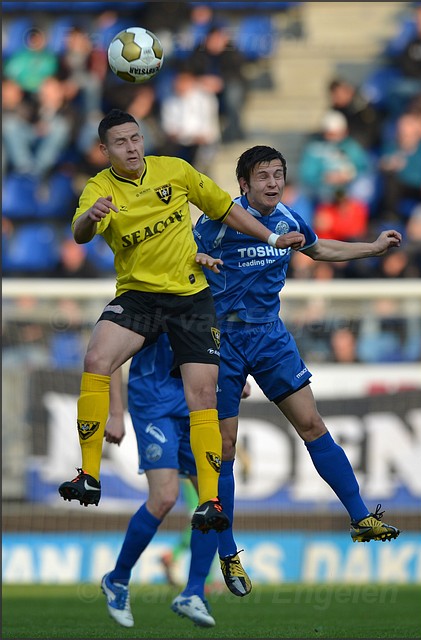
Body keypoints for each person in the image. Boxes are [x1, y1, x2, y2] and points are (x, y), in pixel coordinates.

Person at [57, 110, 305, 537]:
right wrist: (90, 217)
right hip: (139, 296)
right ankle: (89, 474)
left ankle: (209, 501)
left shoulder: (176, 170)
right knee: (97, 357)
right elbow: (79, 234)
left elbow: (225, 209)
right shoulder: (99, 188)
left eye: (136, 138)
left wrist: (272, 238)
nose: (132, 147)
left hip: (190, 296)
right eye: (121, 142)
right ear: (105, 150)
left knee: (202, 394)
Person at [187, 144, 401, 598]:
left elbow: (318, 249)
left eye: (278, 174)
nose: (272, 182)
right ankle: (228, 553)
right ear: (243, 184)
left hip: (269, 337)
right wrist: (196, 264)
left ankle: (361, 517)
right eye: (263, 176)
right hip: (222, 340)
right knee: (224, 447)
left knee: (312, 423)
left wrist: (373, 248)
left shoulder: (288, 218)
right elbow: (183, 266)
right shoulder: (216, 224)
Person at [101, 332, 251, 628]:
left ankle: (194, 591)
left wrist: (232, 376)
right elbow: (109, 352)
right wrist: (116, 412)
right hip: (154, 403)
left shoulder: (204, 294)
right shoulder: (146, 292)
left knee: (211, 499)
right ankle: (117, 579)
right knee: (165, 497)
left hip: (197, 402)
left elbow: (215, 340)